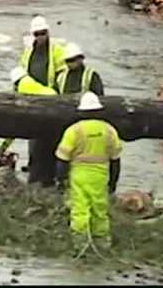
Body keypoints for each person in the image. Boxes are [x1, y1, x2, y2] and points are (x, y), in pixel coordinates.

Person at [55, 92, 122, 254]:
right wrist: (113, 183)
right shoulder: (109, 130)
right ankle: (102, 244)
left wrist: (61, 179)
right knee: (100, 210)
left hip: (79, 175)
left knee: (80, 209)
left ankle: (81, 244)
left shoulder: (74, 131)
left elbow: (62, 159)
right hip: (101, 176)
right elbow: (116, 160)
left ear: (82, 112)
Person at [18, 15, 70, 185]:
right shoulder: (28, 53)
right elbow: (23, 75)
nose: (41, 37)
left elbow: (64, 75)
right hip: (32, 103)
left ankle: (50, 177)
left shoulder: (57, 51)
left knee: (51, 142)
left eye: (44, 33)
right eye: (38, 34)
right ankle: (36, 175)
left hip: (53, 102)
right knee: (35, 142)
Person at [0, 67, 57, 168]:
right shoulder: (30, 82)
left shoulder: (23, 88)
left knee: (37, 142)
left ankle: (36, 168)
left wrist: (4, 146)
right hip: (54, 107)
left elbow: (16, 122)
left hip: (48, 113)